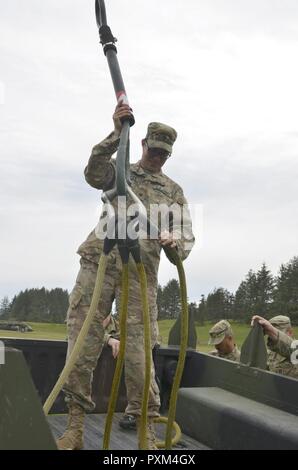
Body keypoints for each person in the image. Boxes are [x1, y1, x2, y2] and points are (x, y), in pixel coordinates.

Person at [57, 102, 195, 450]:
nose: (159, 158)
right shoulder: (122, 171)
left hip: (139, 274)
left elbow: (185, 237)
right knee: (82, 340)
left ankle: (147, 431)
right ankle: (74, 426)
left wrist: (174, 240)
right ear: (144, 144)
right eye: (155, 150)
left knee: (139, 353)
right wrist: (116, 136)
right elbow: (93, 174)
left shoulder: (172, 192)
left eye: (165, 154)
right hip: (99, 262)